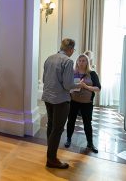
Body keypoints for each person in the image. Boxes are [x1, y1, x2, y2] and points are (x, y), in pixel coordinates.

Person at [42, 38, 84, 169]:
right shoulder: (68, 61)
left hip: (48, 97)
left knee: (51, 125)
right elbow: (68, 85)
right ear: (71, 49)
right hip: (60, 100)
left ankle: (50, 153)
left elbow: (44, 79)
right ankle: (51, 159)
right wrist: (79, 85)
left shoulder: (49, 58)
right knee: (58, 129)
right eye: (73, 50)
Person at [64, 54, 101, 153]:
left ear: (87, 62)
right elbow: (67, 85)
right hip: (73, 101)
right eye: (79, 60)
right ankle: (68, 139)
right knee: (71, 121)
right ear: (77, 62)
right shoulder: (72, 72)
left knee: (87, 123)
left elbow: (98, 88)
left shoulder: (92, 73)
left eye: (84, 60)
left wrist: (86, 86)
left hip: (87, 103)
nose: (81, 62)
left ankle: (90, 143)